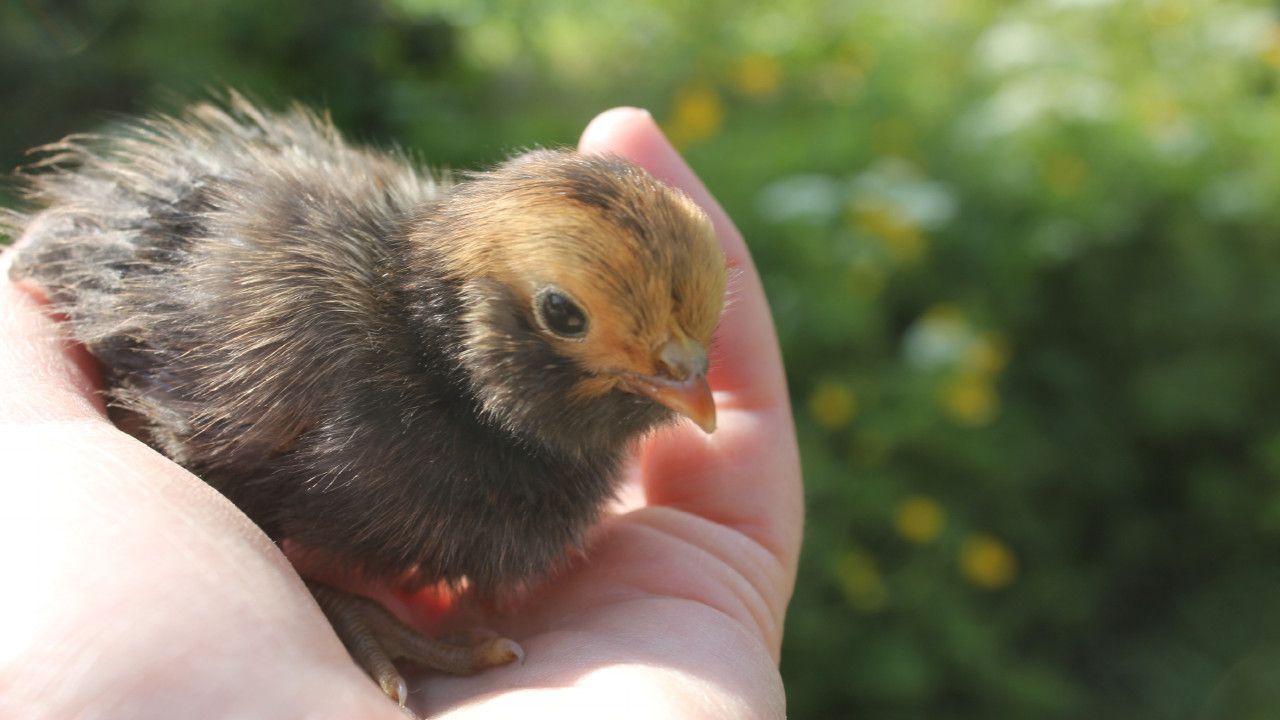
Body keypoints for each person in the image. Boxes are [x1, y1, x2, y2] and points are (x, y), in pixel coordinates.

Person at [0, 107, 803, 719]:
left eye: (690, 346)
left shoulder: (523, 443)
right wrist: (324, 606)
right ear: (474, 307)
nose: (687, 378)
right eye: (566, 315)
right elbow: (166, 442)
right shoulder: (309, 346)